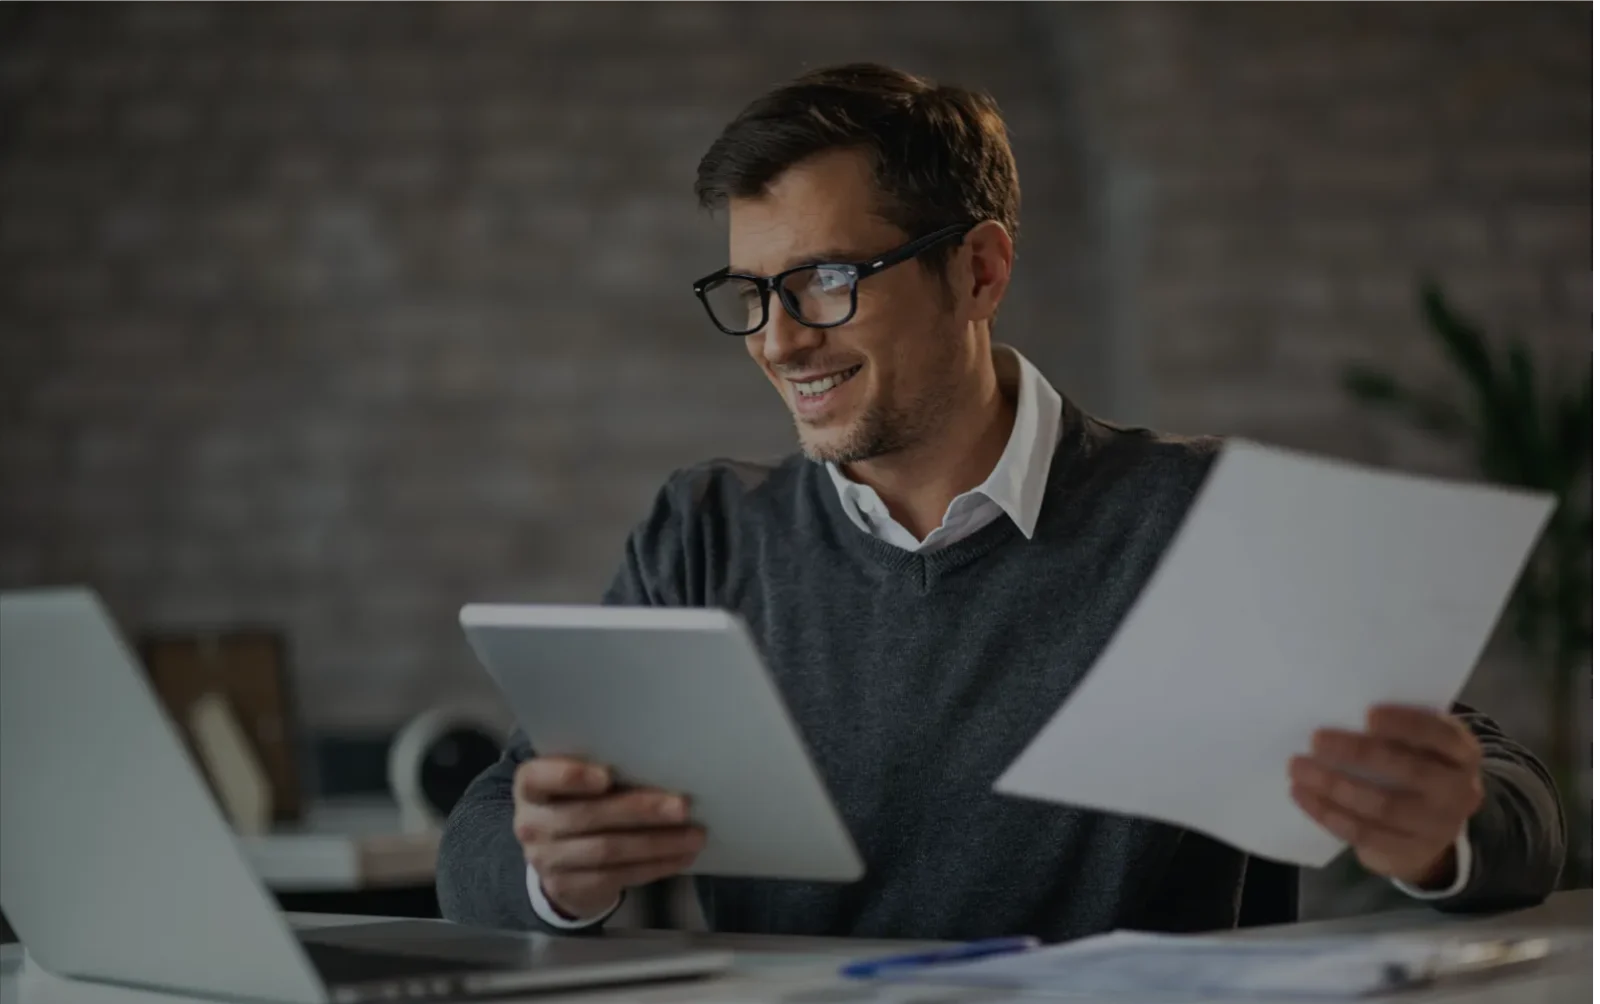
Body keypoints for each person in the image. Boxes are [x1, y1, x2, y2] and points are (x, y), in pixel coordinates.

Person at [437, 63, 1564, 941]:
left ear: (978, 270)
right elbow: (482, 840)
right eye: (750, 291)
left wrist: (1438, 829)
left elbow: (1510, 804)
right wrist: (553, 862)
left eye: (826, 282)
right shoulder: (705, 535)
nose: (779, 338)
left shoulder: (1197, 516)